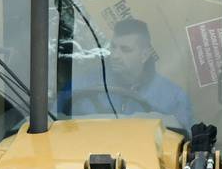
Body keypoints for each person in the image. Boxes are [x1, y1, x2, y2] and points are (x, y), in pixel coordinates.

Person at [66, 18, 195, 126]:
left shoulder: (173, 99)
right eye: (113, 47)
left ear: (144, 55)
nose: (115, 55)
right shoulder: (82, 85)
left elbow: (182, 145)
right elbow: (56, 126)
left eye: (125, 49)